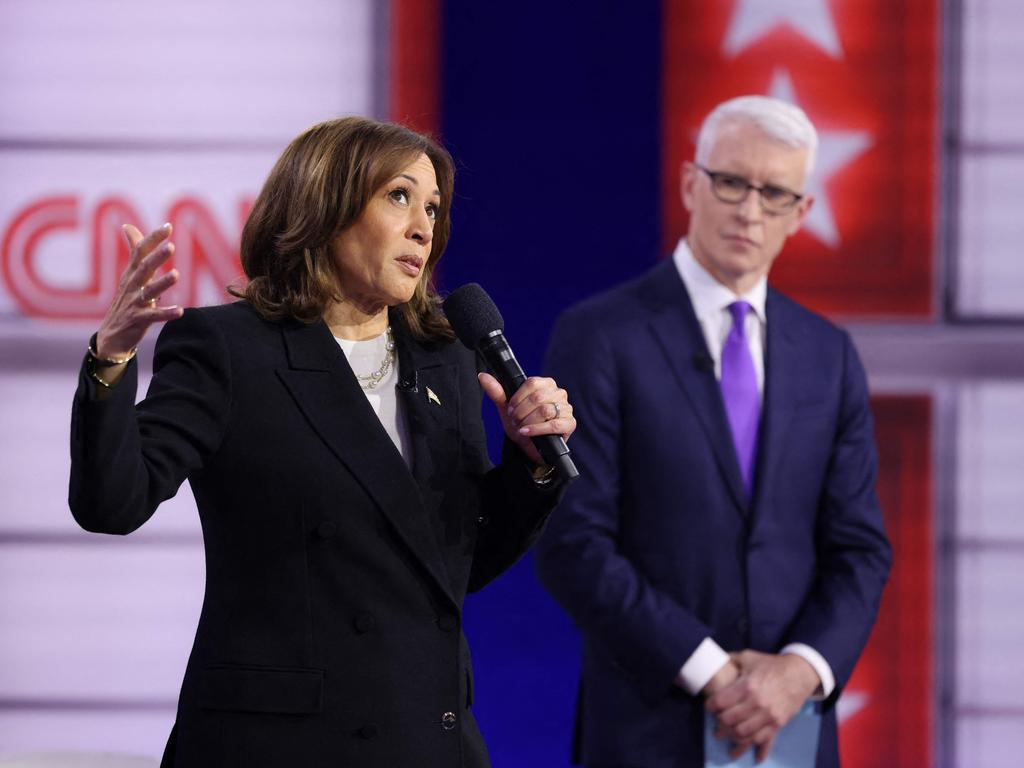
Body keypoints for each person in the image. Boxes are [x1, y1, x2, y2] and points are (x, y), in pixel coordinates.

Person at [69, 116, 576, 768]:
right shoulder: (228, 349)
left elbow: (455, 565)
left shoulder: (444, 357)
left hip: (424, 736)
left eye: (433, 207)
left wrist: (530, 467)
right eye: (399, 196)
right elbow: (112, 502)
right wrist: (111, 358)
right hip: (278, 743)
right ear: (326, 204)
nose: (424, 225)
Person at [535, 96, 892, 768]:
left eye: (775, 192)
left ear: (802, 213)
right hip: (648, 728)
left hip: (792, 730)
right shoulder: (600, 336)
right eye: (731, 182)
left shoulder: (829, 354)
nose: (749, 210)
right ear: (690, 183)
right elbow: (573, 543)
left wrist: (798, 672)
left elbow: (860, 550)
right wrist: (713, 672)